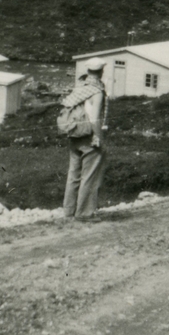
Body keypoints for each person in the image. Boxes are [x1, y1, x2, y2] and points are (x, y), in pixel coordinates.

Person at [62, 57, 108, 218]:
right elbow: (95, 118)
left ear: (88, 71)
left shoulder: (80, 86)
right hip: (88, 135)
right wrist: (98, 138)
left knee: (73, 174)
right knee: (89, 176)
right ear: (101, 71)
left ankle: (69, 210)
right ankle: (84, 213)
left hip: (74, 134)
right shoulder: (97, 91)